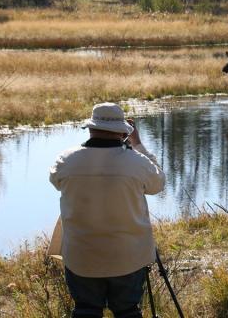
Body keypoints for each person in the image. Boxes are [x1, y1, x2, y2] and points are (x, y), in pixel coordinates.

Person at [49, 102, 165, 318]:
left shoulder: (66, 160)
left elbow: (55, 181)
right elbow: (158, 184)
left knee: (86, 311)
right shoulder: (137, 162)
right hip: (128, 256)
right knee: (128, 311)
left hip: (81, 257)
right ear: (123, 132)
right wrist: (137, 145)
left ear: (91, 128)